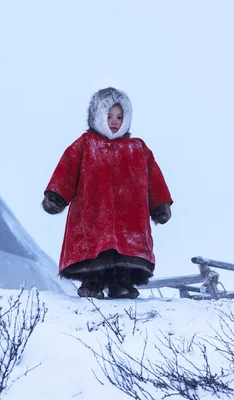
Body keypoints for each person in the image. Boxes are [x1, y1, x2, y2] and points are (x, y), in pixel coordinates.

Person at [42, 87, 173, 299]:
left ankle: (121, 283)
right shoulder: (85, 144)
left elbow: (153, 179)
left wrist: (160, 205)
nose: (114, 121)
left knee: (125, 250)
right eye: (109, 115)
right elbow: (66, 170)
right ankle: (91, 284)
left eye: (120, 117)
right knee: (94, 250)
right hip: (93, 214)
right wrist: (56, 195)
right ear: (97, 116)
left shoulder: (137, 149)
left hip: (129, 217)